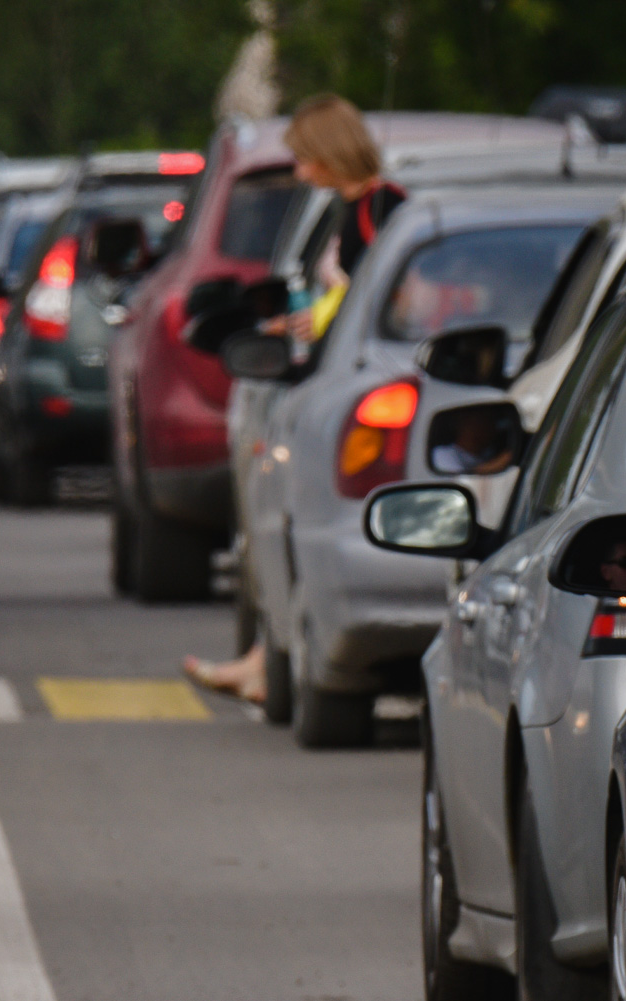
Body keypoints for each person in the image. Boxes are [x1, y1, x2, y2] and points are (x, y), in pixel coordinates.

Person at [183, 94, 403, 704]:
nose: (300, 171)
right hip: (329, 373)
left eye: (307, 158)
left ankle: (268, 660)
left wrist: (318, 329)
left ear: (331, 153)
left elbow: (374, 297)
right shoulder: (353, 209)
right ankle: (262, 659)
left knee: (286, 527)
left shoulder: (379, 211)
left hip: (343, 386)